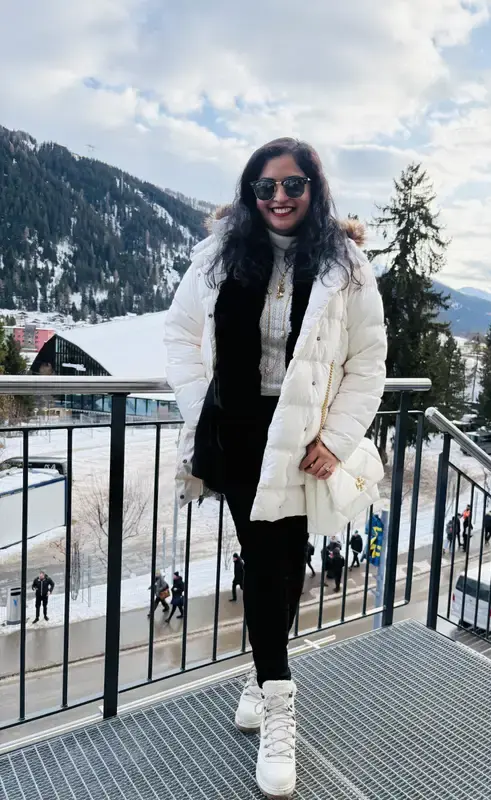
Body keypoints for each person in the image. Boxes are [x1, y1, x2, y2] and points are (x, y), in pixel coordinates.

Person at [164, 137, 386, 799]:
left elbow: (367, 361)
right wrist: (199, 403)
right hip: (236, 432)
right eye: (266, 187)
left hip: (302, 435)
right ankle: (279, 701)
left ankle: (262, 679)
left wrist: (337, 438)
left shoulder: (345, 266)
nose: (279, 197)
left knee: (287, 559)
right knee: (265, 557)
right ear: (250, 192)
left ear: (314, 188)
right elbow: (179, 335)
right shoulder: (219, 254)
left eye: (292, 184)